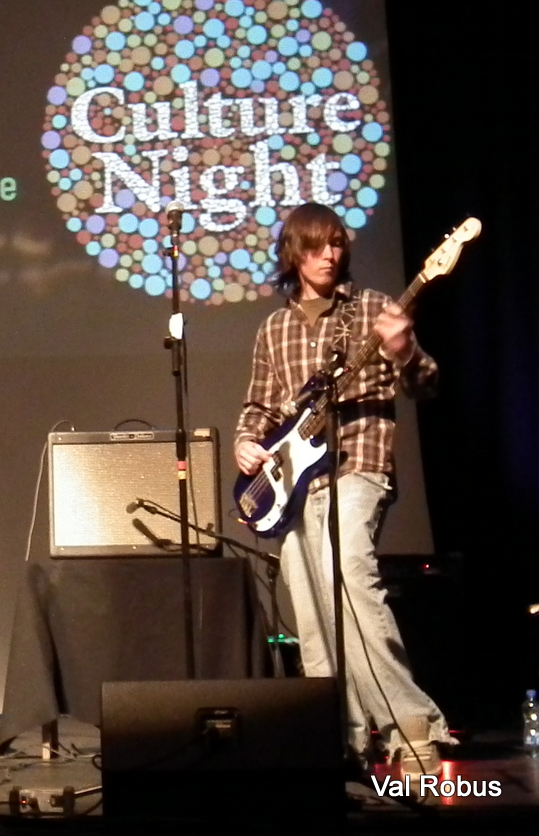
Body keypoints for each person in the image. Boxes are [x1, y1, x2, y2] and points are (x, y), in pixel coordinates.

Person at [234, 202, 452, 773]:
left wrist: (405, 352)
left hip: (359, 465)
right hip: (292, 484)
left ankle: (411, 729)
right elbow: (258, 406)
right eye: (315, 245)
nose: (328, 255)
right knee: (310, 611)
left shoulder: (374, 308)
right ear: (294, 253)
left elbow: (426, 383)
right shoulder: (274, 328)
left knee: (350, 573)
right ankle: (341, 739)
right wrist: (245, 443)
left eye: (336, 243)